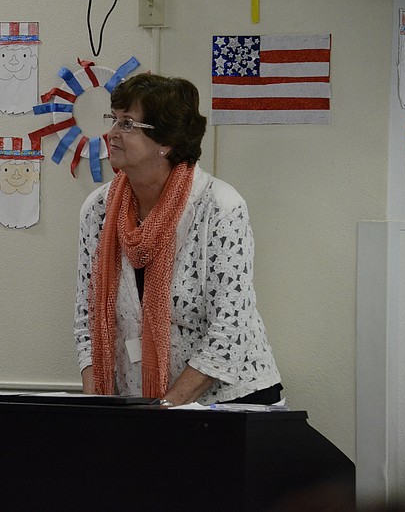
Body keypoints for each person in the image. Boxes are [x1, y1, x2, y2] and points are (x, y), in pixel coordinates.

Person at [73, 72, 282, 406]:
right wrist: (94, 410)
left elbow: (229, 329)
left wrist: (166, 412)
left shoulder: (220, 206)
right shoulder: (97, 210)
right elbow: (88, 320)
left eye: (128, 124)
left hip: (230, 400)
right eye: (113, 119)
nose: (111, 133)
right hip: (144, 404)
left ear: (166, 143)